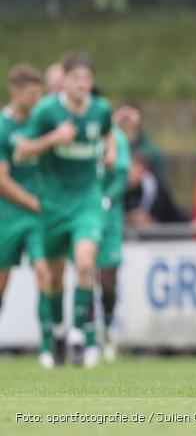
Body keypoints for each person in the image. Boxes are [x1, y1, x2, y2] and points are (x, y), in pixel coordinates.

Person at [15, 53, 116, 368]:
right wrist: (54, 139)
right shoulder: (46, 111)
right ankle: (57, 330)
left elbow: (108, 134)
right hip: (54, 203)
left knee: (85, 263)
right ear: (65, 80)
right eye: (77, 79)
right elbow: (21, 153)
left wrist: (110, 152)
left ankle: (78, 335)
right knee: (54, 277)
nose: (83, 84)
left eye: (87, 79)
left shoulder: (101, 109)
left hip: (87, 200)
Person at [0, 65, 54, 368]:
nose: (36, 99)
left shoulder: (41, 122)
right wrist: (32, 201)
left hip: (38, 216)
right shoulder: (2, 127)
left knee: (43, 270)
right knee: (2, 282)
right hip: (8, 213)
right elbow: (2, 179)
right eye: (31, 94)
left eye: (39, 93)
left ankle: (46, 346)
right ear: (15, 92)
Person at [97, 121, 131, 361]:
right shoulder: (71, 133)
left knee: (107, 284)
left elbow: (121, 177)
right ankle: (86, 339)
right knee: (84, 275)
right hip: (81, 216)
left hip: (109, 222)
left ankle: (108, 329)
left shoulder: (116, 138)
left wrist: (106, 200)